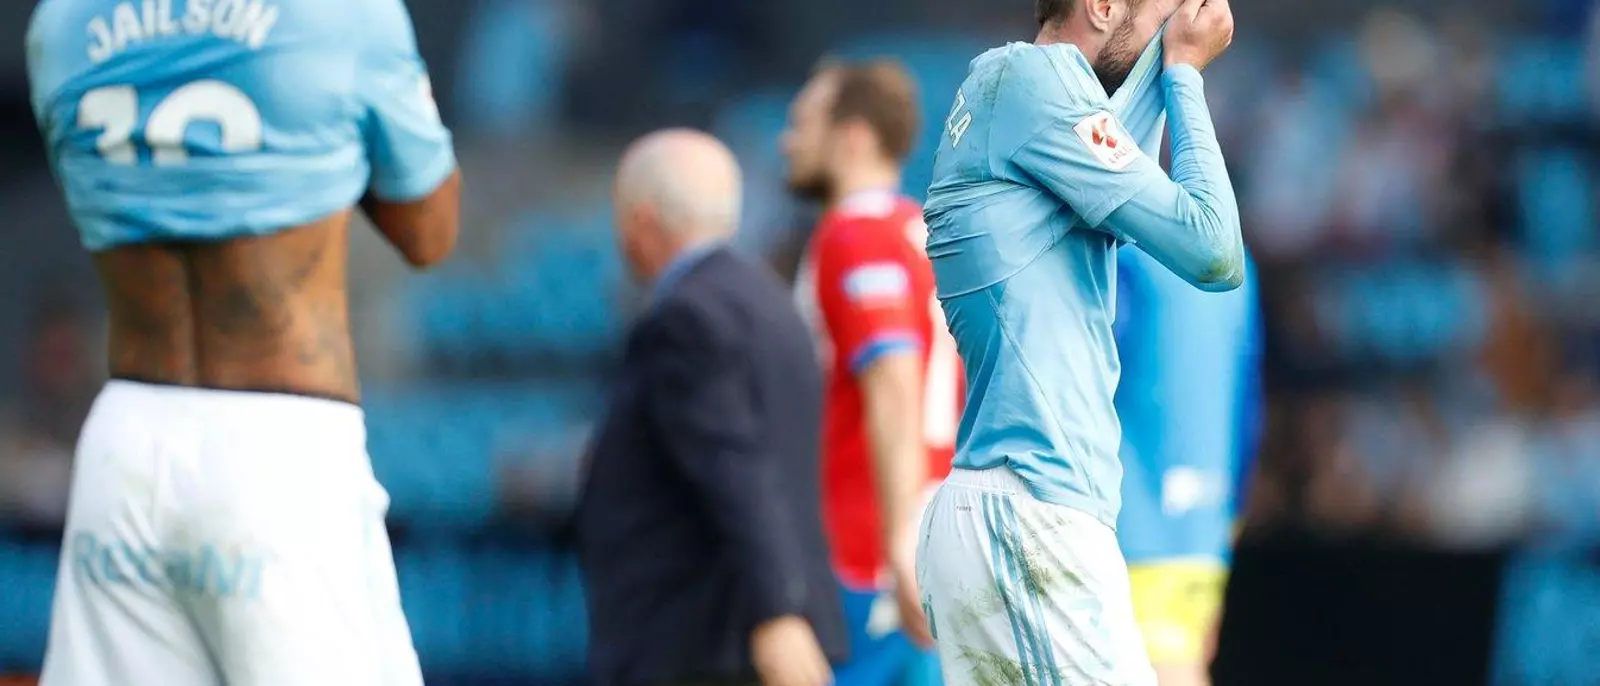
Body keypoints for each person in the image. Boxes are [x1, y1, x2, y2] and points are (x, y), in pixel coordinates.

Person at [26, 0, 461, 683]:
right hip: (278, 451)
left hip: (123, 444)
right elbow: (429, 233)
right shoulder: (343, 15)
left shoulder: (60, 23)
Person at [915, 0, 1244, 683]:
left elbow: (1125, 146)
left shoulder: (1028, 110)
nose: (1181, 25)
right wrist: (1183, 72)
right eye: (1166, 12)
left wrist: (1166, 60)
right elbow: (1212, 248)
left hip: (1016, 512)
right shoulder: (1029, 80)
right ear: (1101, 6)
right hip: (1030, 514)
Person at [579, 129, 847, 686]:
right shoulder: (775, 306)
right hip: (754, 635)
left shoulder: (685, 318)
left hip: (706, 642)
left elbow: (734, 468)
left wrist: (777, 610)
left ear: (641, 220)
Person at [781, 58, 958, 686]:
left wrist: (896, 542)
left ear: (852, 136)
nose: (787, 141)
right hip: (932, 534)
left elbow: (893, 382)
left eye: (804, 124)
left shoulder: (854, 237)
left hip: (868, 551)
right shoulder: (919, 230)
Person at [1114, 246, 1261, 686]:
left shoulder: (1120, 250)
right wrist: (1228, 521)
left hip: (1126, 525)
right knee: (1181, 665)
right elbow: (1247, 402)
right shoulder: (1234, 254)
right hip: (1204, 527)